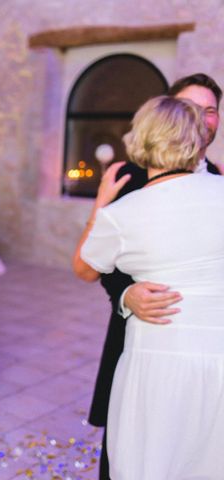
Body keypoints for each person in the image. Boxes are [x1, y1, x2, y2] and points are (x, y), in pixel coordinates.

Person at [73, 95, 224, 479]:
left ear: (141, 140)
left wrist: (102, 204)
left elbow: (85, 268)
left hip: (156, 364)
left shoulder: (124, 213)